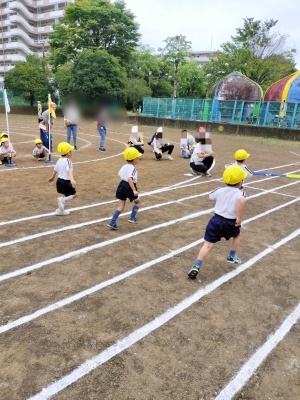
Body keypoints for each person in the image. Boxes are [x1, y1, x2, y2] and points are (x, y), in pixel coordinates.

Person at [188, 166, 248, 280]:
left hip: (216, 221)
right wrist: (239, 217)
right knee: (236, 235)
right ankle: (231, 256)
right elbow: (241, 200)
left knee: (207, 244)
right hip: (231, 222)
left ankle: (197, 265)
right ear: (240, 182)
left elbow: (211, 196)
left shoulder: (219, 190)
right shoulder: (241, 193)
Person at [107, 147, 142, 230]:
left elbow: (119, 174)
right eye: (137, 157)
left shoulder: (124, 166)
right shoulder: (133, 168)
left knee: (121, 206)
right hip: (129, 186)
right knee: (138, 202)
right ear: (134, 160)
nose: (138, 159)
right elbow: (130, 178)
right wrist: (133, 189)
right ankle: (132, 217)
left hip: (121, 185)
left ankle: (112, 221)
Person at [48, 142, 77, 216]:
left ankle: (60, 210)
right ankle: (62, 200)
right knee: (74, 195)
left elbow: (55, 169)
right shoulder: (68, 161)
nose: (71, 152)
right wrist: (72, 179)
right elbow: (70, 170)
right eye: (71, 151)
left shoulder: (59, 160)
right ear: (68, 153)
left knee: (65, 195)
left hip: (59, 181)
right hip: (65, 182)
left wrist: (52, 177)